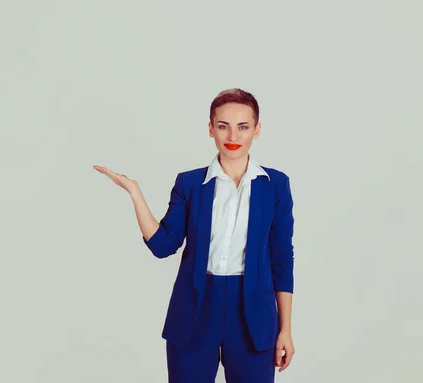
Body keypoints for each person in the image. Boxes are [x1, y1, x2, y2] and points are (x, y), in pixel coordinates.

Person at [93, 88, 295, 382]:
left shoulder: (275, 184)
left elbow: (281, 258)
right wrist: (135, 193)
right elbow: (163, 245)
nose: (233, 136)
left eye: (243, 127)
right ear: (210, 129)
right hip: (195, 311)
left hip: (254, 314)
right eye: (223, 126)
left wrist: (285, 329)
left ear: (257, 130)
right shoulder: (189, 183)